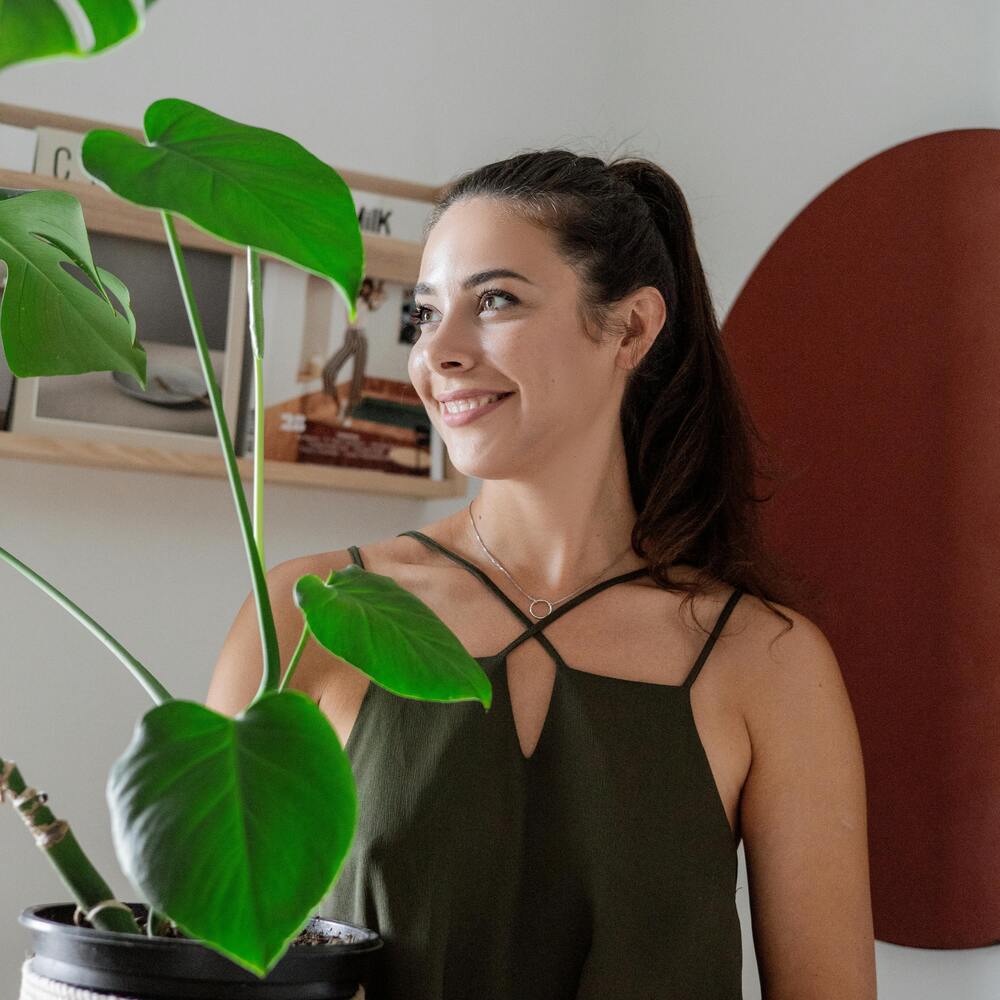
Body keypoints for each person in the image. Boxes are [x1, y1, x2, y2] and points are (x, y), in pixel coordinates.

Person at [206, 149, 877, 999]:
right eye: (424, 312)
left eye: (494, 302)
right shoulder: (303, 615)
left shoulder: (767, 662)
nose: (436, 353)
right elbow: (199, 968)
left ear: (630, 328)